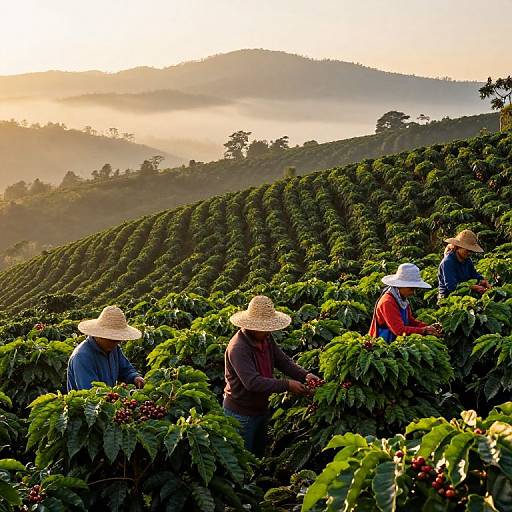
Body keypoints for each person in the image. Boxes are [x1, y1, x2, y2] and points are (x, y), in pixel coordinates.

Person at [223, 295, 322, 457]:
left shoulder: (266, 338)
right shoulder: (238, 348)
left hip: (260, 410)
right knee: (243, 461)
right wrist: (287, 385)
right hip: (241, 415)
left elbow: (282, 361)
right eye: (265, 327)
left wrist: (305, 375)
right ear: (252, 326)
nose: (269, 331)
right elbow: (252, 383)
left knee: (259, 456)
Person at [67, 306, 144, 391]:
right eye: (112, 339)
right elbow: (91, 395)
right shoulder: (82, 357)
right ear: (100, 335)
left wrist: (135, 377)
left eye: (119, 339)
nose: (118, 342)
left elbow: (125, 369)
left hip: (106, 401)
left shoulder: (113, 348)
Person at [369, 263, 441, 342]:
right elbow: (399, 330)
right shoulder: (387, 302)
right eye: (411, 289)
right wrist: (423, 330)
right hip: (385, 343)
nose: (413, 292)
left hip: (399, 341)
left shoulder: (401, 298)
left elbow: (409, 320)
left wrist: (428, 327)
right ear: (400, 285)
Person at [438, 230, 491, 299]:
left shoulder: (467, 260)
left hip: (464, 295)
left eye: (471, 251)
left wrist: (483, 281)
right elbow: (452, 287)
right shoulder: (448, 262)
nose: (469, 253)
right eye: (467, 250)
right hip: (447, 298)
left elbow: (474, 275)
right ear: (457, 247)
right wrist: (473, 287)